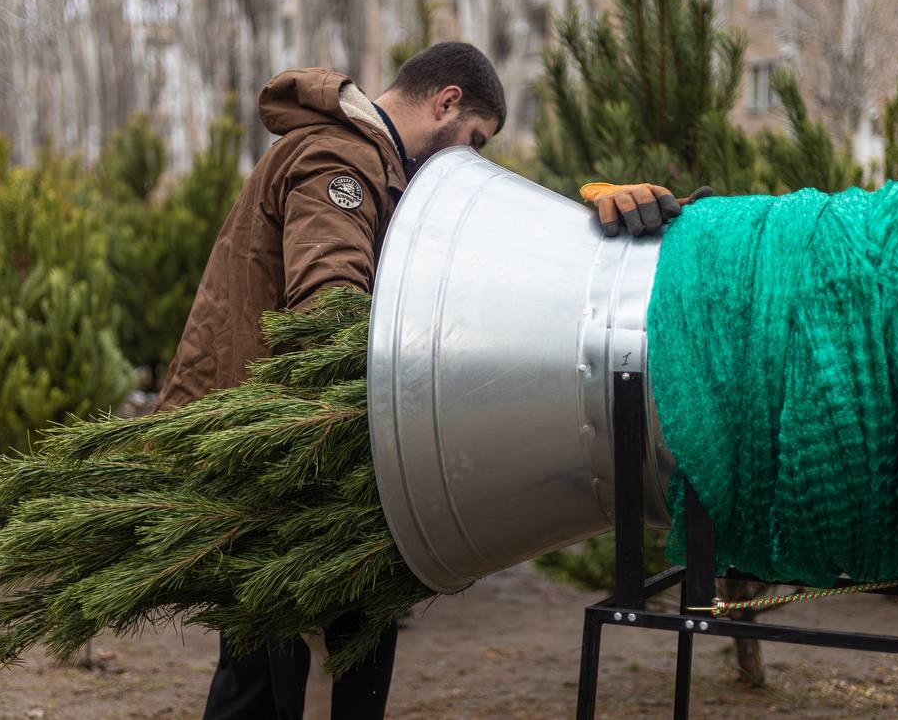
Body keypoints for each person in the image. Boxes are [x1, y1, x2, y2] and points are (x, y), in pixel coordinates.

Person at [160, 42, 707, 720]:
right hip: (279, 460)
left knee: (276, 670)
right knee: (288, 674)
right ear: (446, 102)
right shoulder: (340, 160)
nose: (470, 161)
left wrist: (593, 216)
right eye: (474, 140)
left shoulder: (381, 168)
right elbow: (328, 313)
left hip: (281, 449)